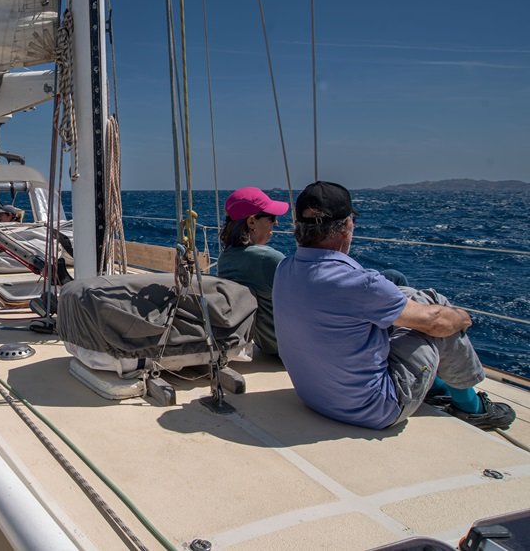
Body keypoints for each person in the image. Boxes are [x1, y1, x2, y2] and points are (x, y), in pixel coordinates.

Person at [272, 181, 515, 431]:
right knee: (438, 309)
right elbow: (436, 322)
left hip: (315, 397)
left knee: (403, 290)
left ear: (298, 227)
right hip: (376, 408)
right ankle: (473, 408)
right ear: (347, 226)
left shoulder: (285, 269)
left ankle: (438, 387)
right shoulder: (360, 283)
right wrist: (463, 317)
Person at [216, 187, 289, 356]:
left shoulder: (225, 259)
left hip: (267, 346)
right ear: (251, 222)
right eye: (271, 217)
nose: (276, 223)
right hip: (290, 349)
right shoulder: (268, 259)